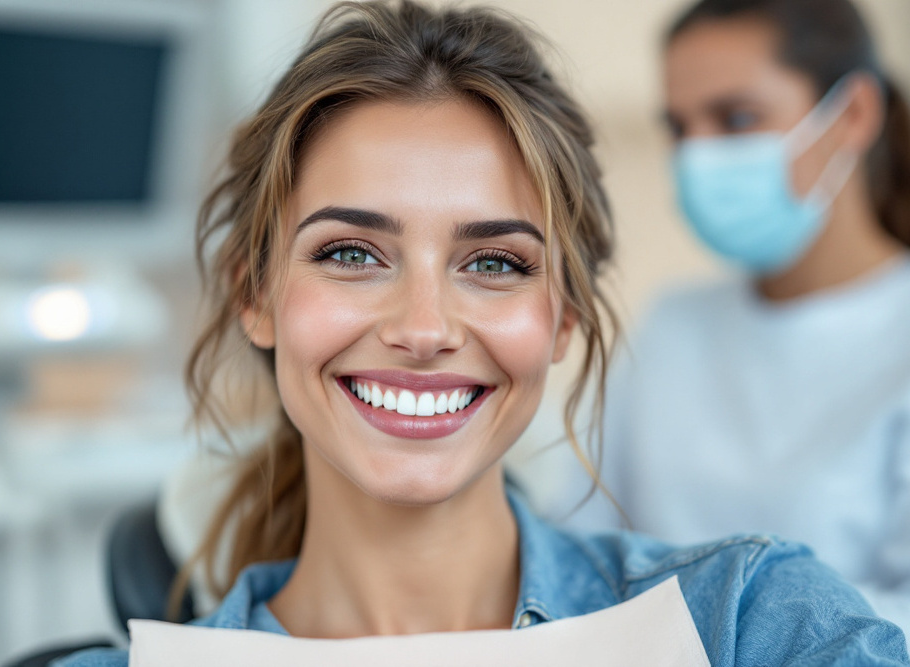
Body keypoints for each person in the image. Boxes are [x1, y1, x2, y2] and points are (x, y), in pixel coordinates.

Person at [57, 1, 908, 664]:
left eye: (496, 263)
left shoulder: (750, 621)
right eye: (352, 253)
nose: (423, 328)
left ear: (564, 314)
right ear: (256, 296)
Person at [572, 0, 910, 635]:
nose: (697, 156)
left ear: (854, 114)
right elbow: (571, 545)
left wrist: (726, 617)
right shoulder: (670, 327)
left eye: (736, 118)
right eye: (678, 126)